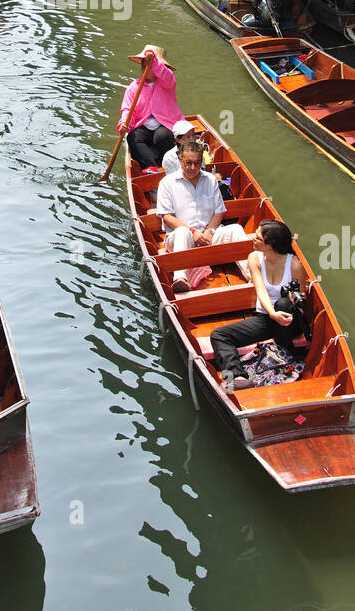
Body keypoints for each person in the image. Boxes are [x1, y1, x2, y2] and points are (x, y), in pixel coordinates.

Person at [209, 221, 308, 388]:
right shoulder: (254, 258)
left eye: (257, 238)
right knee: (219, 335)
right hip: (266, 317)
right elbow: (261, 290)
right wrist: (272, 314)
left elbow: (299, 302)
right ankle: (237, 377)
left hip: (289, 321)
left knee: (283, 303)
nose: (253, 239)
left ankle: (283, 353)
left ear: (270, 245)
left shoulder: (294, 264)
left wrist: (284, 307)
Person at [155, 140, 251, 293]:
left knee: (236, 229)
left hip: (208, 236)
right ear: (180, 161)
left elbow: (219, 211)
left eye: (197, 163)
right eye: (188, 163)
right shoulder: (167, 183)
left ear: (202, 162)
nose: (193, 168)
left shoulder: (210, 179)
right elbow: (167, 217)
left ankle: (253, 275)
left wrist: (209, 231)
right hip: (181, 238)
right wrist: (193, 233)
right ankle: (181, 279)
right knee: (182, 232)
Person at [118, 44, 183, 170]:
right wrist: (124, 124)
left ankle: (169, 164)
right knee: (133, 137)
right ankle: (151, 167)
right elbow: (127, 110)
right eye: (144, 65)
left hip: (164, 124)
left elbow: (167, 76)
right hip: (144, 125)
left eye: (149, 65)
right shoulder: (134, 87)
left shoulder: (167, 83)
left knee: (162, 136)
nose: (145, 68)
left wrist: (154, 62)